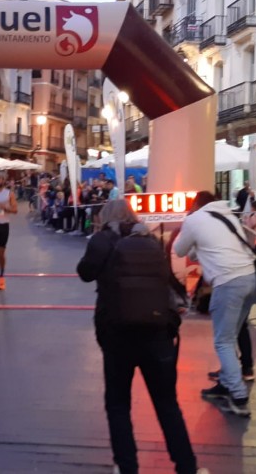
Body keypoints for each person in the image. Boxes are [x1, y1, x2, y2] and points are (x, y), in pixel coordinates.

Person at [76, 200, 205, 474]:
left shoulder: (103, 240)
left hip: (117, 333)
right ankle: (187, 466)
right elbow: (169, 282)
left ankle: (127, 467)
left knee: (118, 404)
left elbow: (85, 273)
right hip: (156, 333)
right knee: (167, 404)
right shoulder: (151, 240)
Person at [173, 191, 256, 417]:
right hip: (251, 279)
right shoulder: (227, 215)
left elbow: (179, 250)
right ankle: (227, 383)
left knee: (223, 341)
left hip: (228, 282)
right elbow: (203, 251)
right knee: (233, 334)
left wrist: (186, 223)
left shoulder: (194, 219)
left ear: (196, 205)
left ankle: (238, 396)